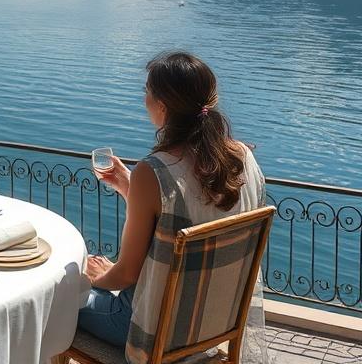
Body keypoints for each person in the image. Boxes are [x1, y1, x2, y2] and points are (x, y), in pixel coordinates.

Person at [77, 51, 267, 364]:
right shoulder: (243, 158)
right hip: (212, 321)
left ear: (161, 105)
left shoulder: (153, 172)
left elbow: (125, 275)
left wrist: (96, 277)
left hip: (149, 330)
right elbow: (187, 218)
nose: (144, 100)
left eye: (146, 92)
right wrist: (128, 187)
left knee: (55, 296)